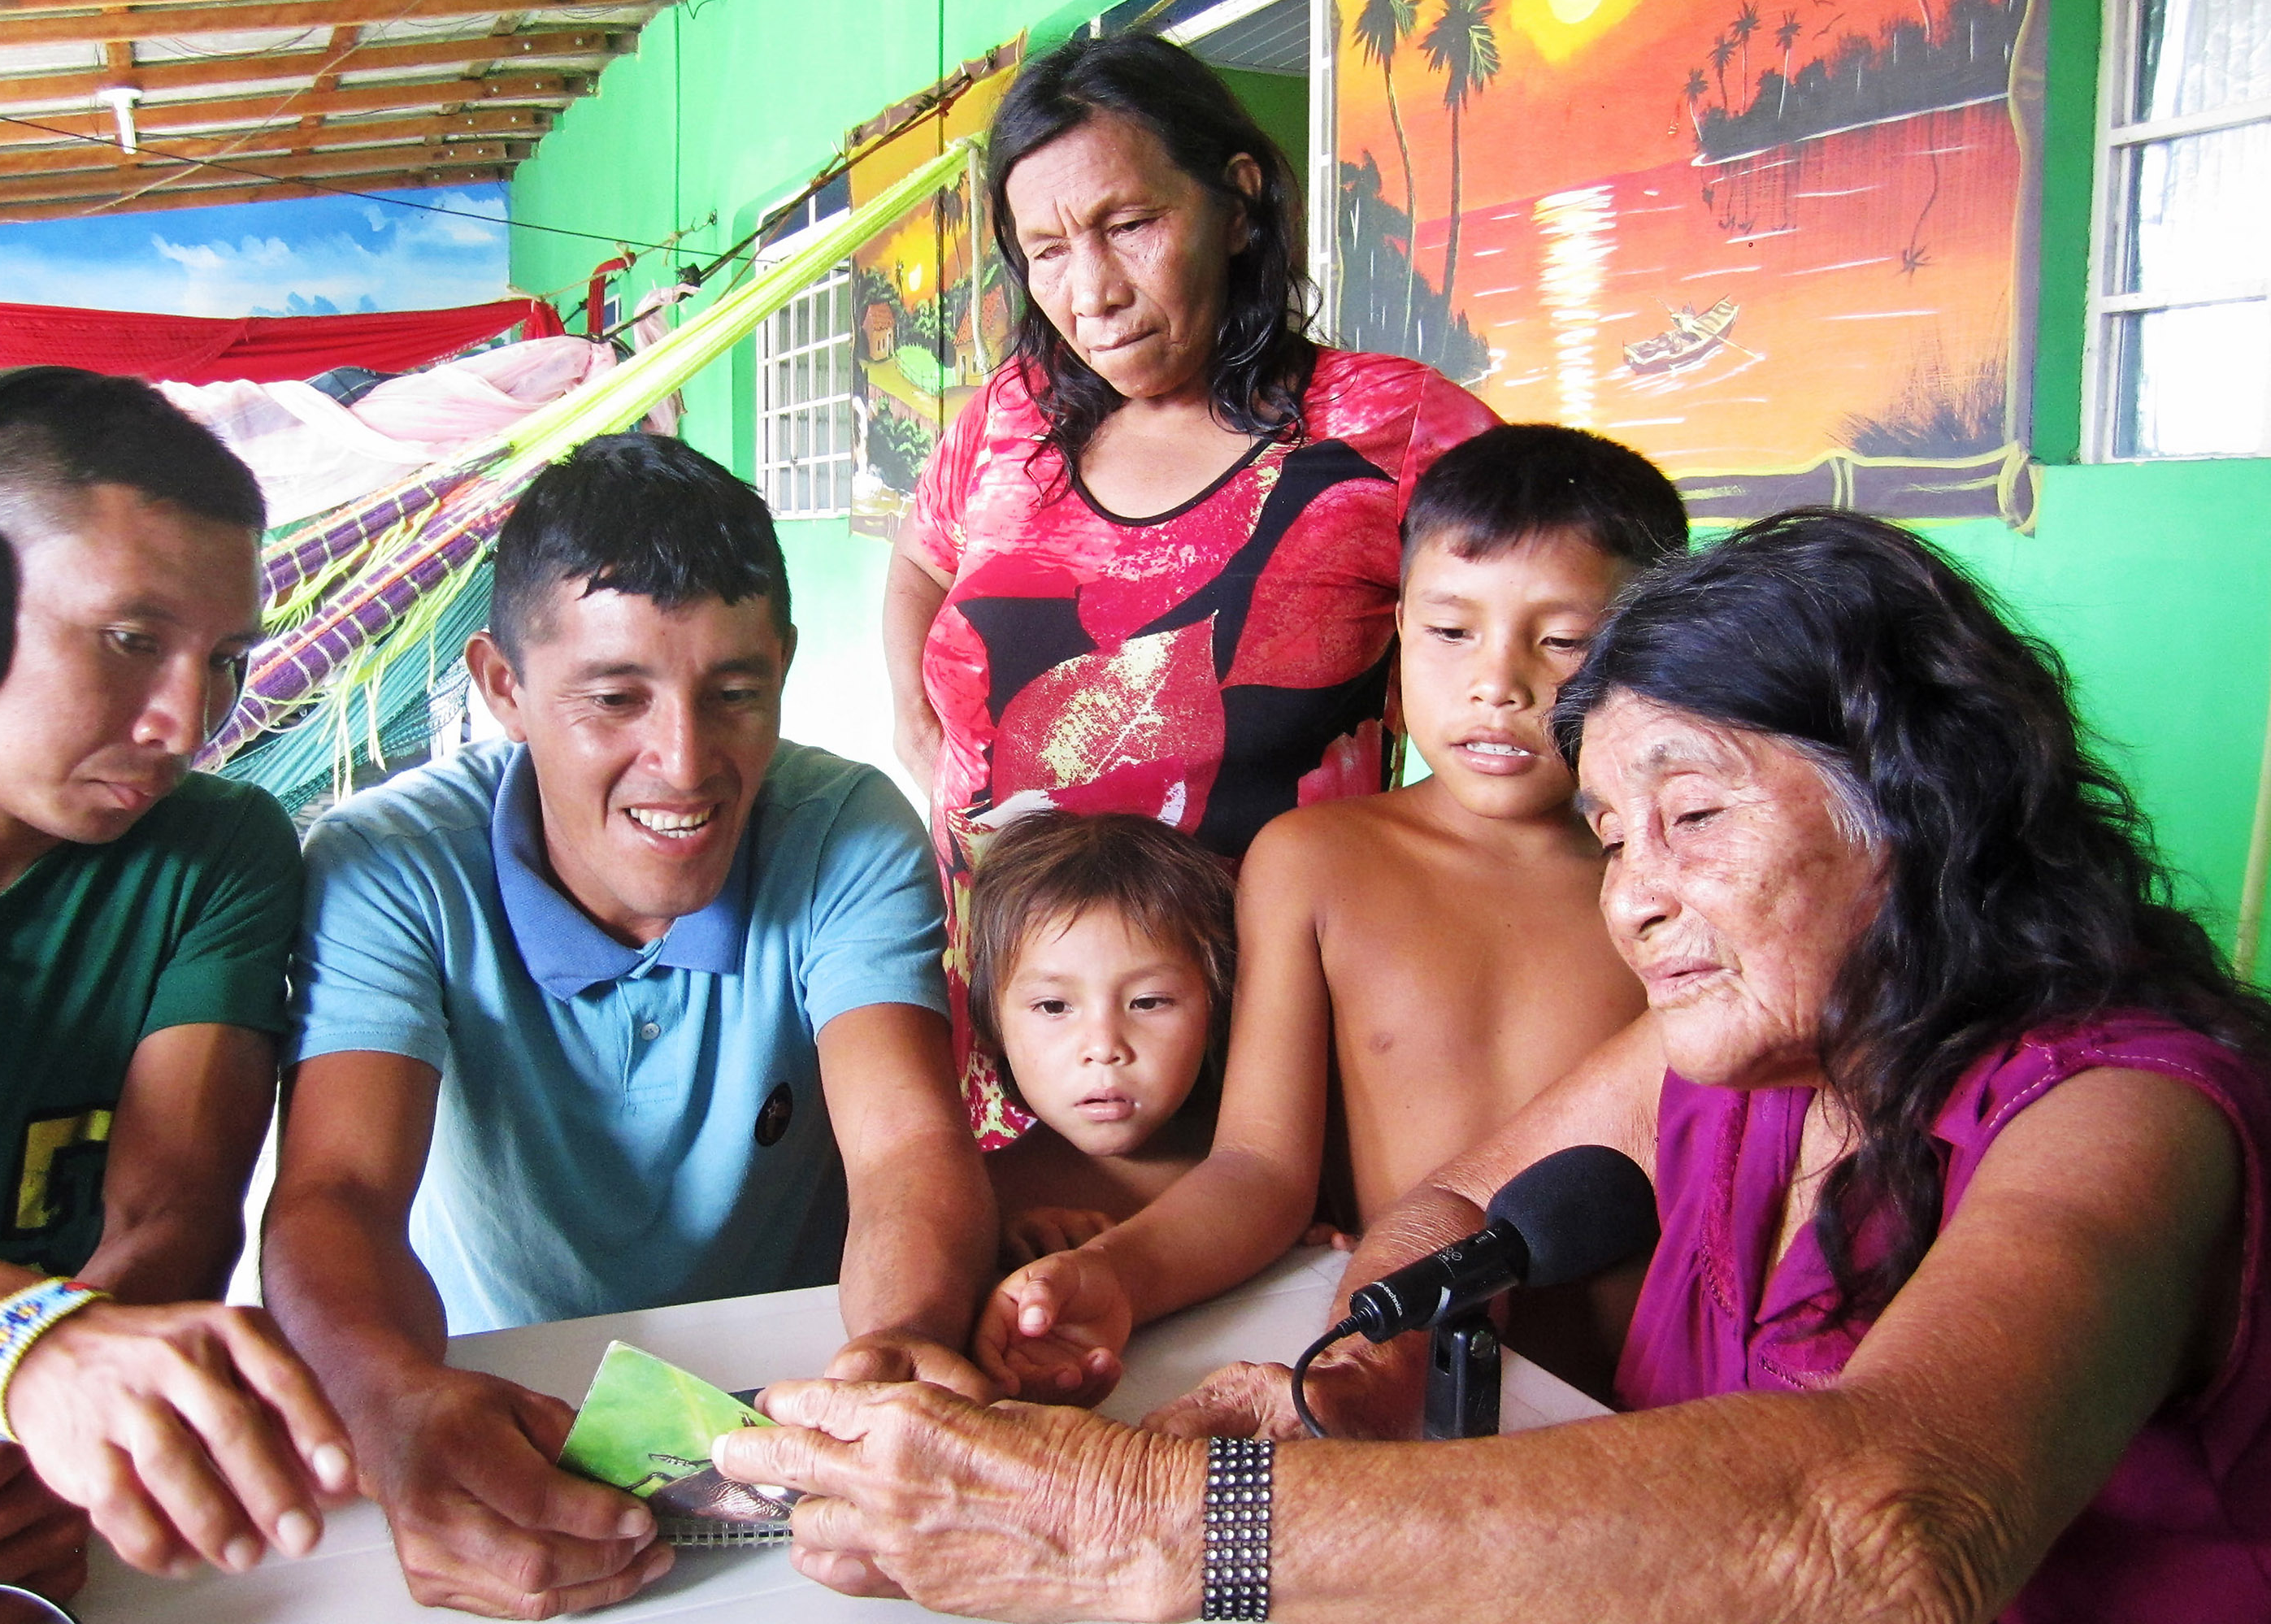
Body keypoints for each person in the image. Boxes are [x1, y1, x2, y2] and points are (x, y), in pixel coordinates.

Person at [719, 509, 2271, 1623]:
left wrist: (1132, 1531)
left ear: (1920, 792)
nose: (1636, 894)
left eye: (1698, 815)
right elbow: (1461, 1194)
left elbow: (1880, 1527)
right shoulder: (1749, 1048)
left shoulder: (2124, 1113)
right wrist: (1366, 1381)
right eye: (1613, 834)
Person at [263, 433, 996, 1621]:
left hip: (798, 1390)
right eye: (615, 699)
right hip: (496, 1395)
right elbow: (335, 1194)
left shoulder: (845, 832)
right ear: (501, 686)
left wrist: (902, 1348)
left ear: (788, 670)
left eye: (735, 695)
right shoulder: (392, 864)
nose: (687, 763)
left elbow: (909, 1152)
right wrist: (392, 1400)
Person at [974, 426, 1681, 1405]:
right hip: (1396, 1381)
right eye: (1450, 630)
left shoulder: (1674, 884)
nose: (1497, 683)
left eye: (1562, 641)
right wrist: (1119, 1274)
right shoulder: (1317, 863)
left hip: (1644, 1400)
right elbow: (1262, 1171)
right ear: (1398, 626)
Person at [884, 34, 1500, 1144]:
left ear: (1240, 200)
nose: (1093, 292)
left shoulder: (1392, 432)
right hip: (1007, 1040)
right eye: (1047, 249)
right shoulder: (1009, 415)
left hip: (1263, 1071)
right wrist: (913, 723)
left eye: (1130, 225)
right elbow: (923, 557)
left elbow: (1551, 624)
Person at [0, 368, 354, 1609]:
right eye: (132, 641)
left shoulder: (218, 853)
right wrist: (22, 1353)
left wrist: (27, 1440)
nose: (189, 719)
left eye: (224, 658)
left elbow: (174, 1212)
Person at [965, 810, 1236, 1278]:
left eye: (1149, 1002)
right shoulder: (976, 1203)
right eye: (1053, 1007)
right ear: (992, 1023)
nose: (1104, 1047)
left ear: (1215, 1010)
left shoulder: (1267, 1185)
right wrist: (1003, 1252)